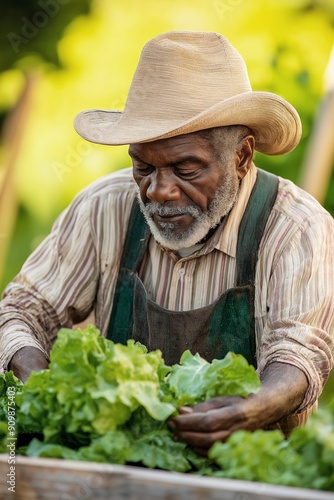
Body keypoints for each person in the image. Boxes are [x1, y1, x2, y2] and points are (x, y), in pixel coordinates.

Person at [0, 31, 333, 454]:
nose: (158, 190)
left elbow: (300, 355)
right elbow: (22, 309)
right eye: (143, 166)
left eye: (186, 168)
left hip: (247, 482)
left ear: (243, 156)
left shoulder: (294, 227)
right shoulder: (106, 207)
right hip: (114, 475)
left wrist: (251, 409)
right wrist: (40, 381)